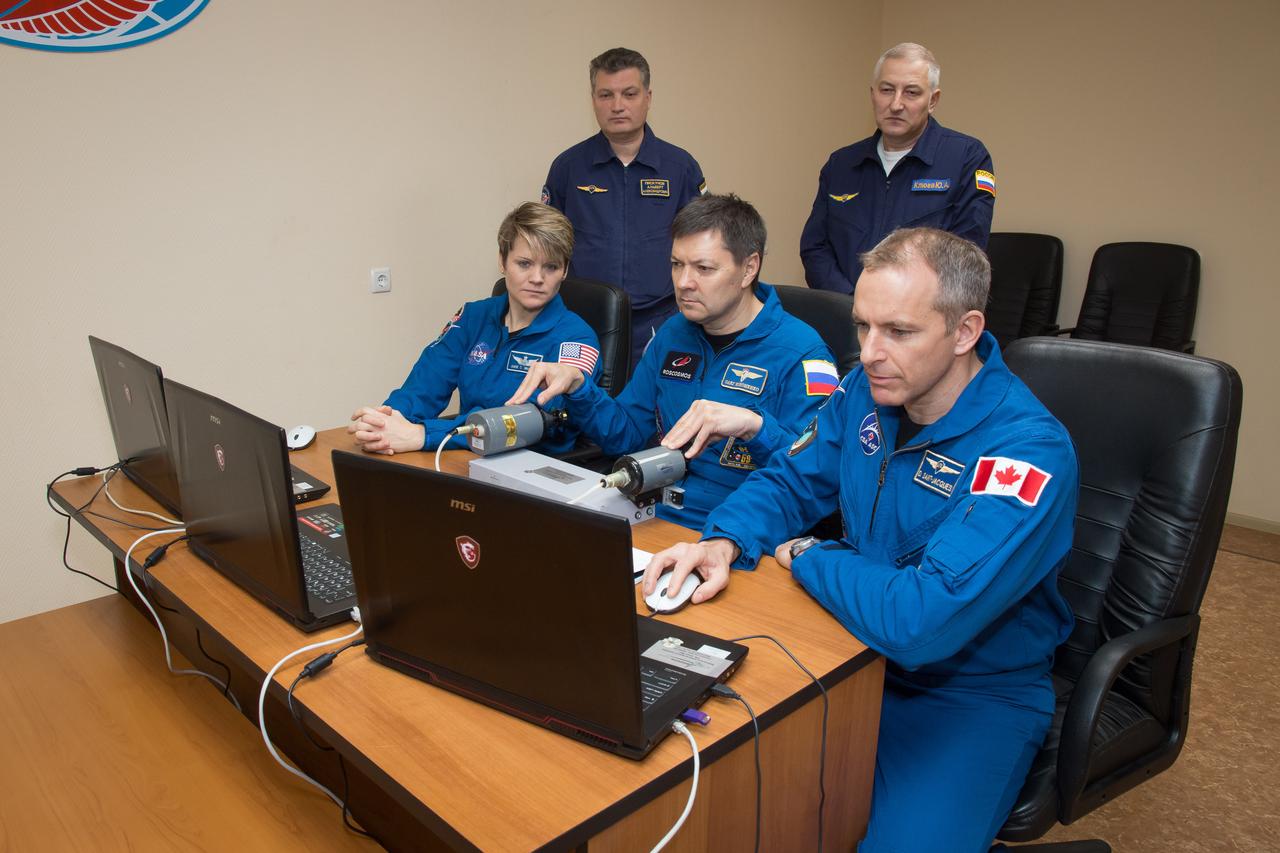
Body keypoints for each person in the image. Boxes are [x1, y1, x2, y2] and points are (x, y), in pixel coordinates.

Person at [643, 228, 1077, 851]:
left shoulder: (1026, 451)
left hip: (967, 693)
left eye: (898, 332)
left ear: (964, 331)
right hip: (848, 649)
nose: (870, 352)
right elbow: (794, 480)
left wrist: (814, 556)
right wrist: (725, 541)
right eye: (863, 326)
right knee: (729, 802)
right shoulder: (862, 395)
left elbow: (922, 621)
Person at [508, 193, 837, 531]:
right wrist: (580, 388)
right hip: (653, 514)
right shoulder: (673, 333)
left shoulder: (804, 354)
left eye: (703, 268)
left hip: (736, 531)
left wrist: (754, 426)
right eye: (677, 264)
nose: (683, 283)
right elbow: (627, 435)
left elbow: (817, 476)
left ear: (748, 268)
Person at [349, 202, 600, 457]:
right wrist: (387, 421)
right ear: (502, 261)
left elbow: (538, 420)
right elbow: (426, 383)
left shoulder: (577, 339)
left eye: (551, 267)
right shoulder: (473, 317)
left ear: (565, 270)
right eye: (524, 264)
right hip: (464, 456)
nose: (537, 278)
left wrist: (424, 434)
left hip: (531, 468)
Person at [542, 47, 706, 373]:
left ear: (647, 96)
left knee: (659, 414)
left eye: (629, 94)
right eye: (606, 95)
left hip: (663, 320)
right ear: (593, 99)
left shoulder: (680, 167)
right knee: (584, 411)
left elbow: (705, 246)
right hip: (585, 320)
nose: (617, 105)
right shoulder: (568, 168)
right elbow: (546, 247)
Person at [800, 43, 996, 294]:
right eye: (887, 90)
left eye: (911, 92)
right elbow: (815, 247)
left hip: (921, 320)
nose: (895, 104)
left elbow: (967, 254)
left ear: (933, 100)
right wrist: (853, 303)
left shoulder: (967, 157)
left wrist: (898, 308)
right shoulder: (841, 164)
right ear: (873, 94)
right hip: (845, 315)